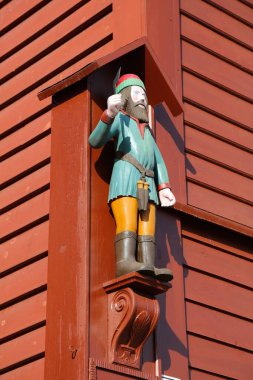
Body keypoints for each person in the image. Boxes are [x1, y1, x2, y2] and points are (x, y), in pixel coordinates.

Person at [89, 74, 176, 281]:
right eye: (137, 93)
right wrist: (108, 114)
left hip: (148, 185)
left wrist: (164, 187)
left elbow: (159, 161)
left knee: (147, 224)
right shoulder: (120, 120)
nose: (142, 99)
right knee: (128, 220)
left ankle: (148, 263)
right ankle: (125, 261)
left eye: (144, 95)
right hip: (126, 178)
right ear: (125, 96)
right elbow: (95, 140)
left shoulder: (147, 131)